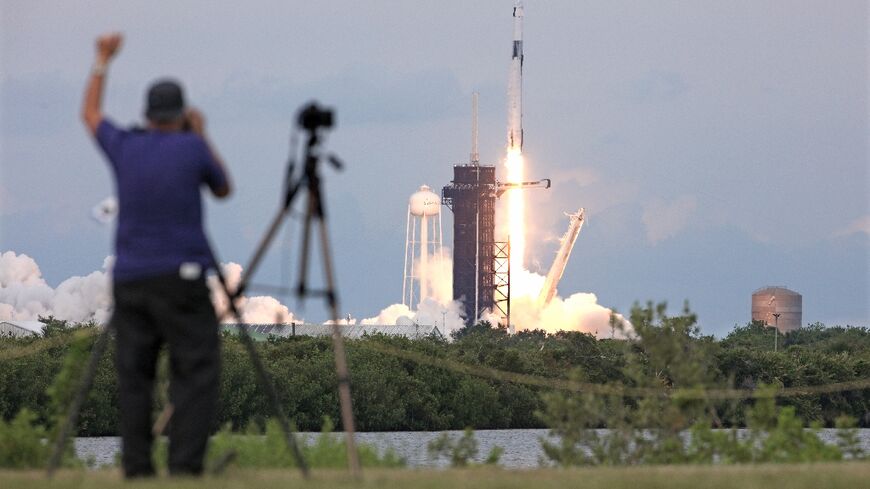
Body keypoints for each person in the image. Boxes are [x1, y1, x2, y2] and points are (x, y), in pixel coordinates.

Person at [81, 32, 232, 478]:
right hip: (181, 281)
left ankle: (137, 469)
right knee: (196, 371)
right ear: (181, 114)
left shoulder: (125, 145)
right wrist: (202, 135)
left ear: (146, 114)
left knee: (135, 379)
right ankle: (184, 467)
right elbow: (223, 187)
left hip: (130, 281)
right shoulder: (191, 147)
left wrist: (102, 60)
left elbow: (90, 115)